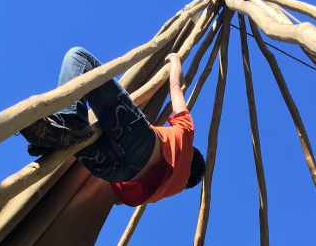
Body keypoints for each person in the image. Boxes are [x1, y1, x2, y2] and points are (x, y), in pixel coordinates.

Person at [20, 47, 206, 206]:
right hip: (113, 170)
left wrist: (175, 59)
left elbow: (177, 88)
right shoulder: (164, 191)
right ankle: (57, 134)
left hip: (140, 141)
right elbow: (119, 200)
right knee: (75, 142)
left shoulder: (186, 136)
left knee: (78, 57)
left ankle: (69, 119)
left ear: (192, 153)